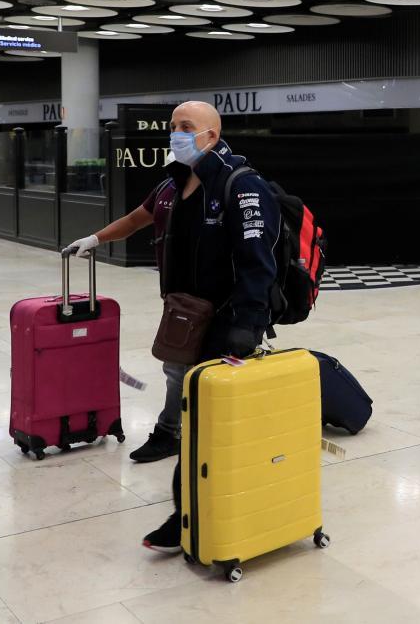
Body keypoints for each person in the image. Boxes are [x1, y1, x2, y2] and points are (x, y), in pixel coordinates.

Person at [64, 100, 280, 551]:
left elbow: (259, 266)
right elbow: (139, 218)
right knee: (183, 390)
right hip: (184, 317)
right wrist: (96, 239)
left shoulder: (241, 187)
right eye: (172, 126)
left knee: (205, 422)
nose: (176, 134)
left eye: (186, 127)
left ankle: (187, 514)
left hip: (225, 325)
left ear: (212, 136)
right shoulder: (172, 184)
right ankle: (177, 447)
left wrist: (248, 326)